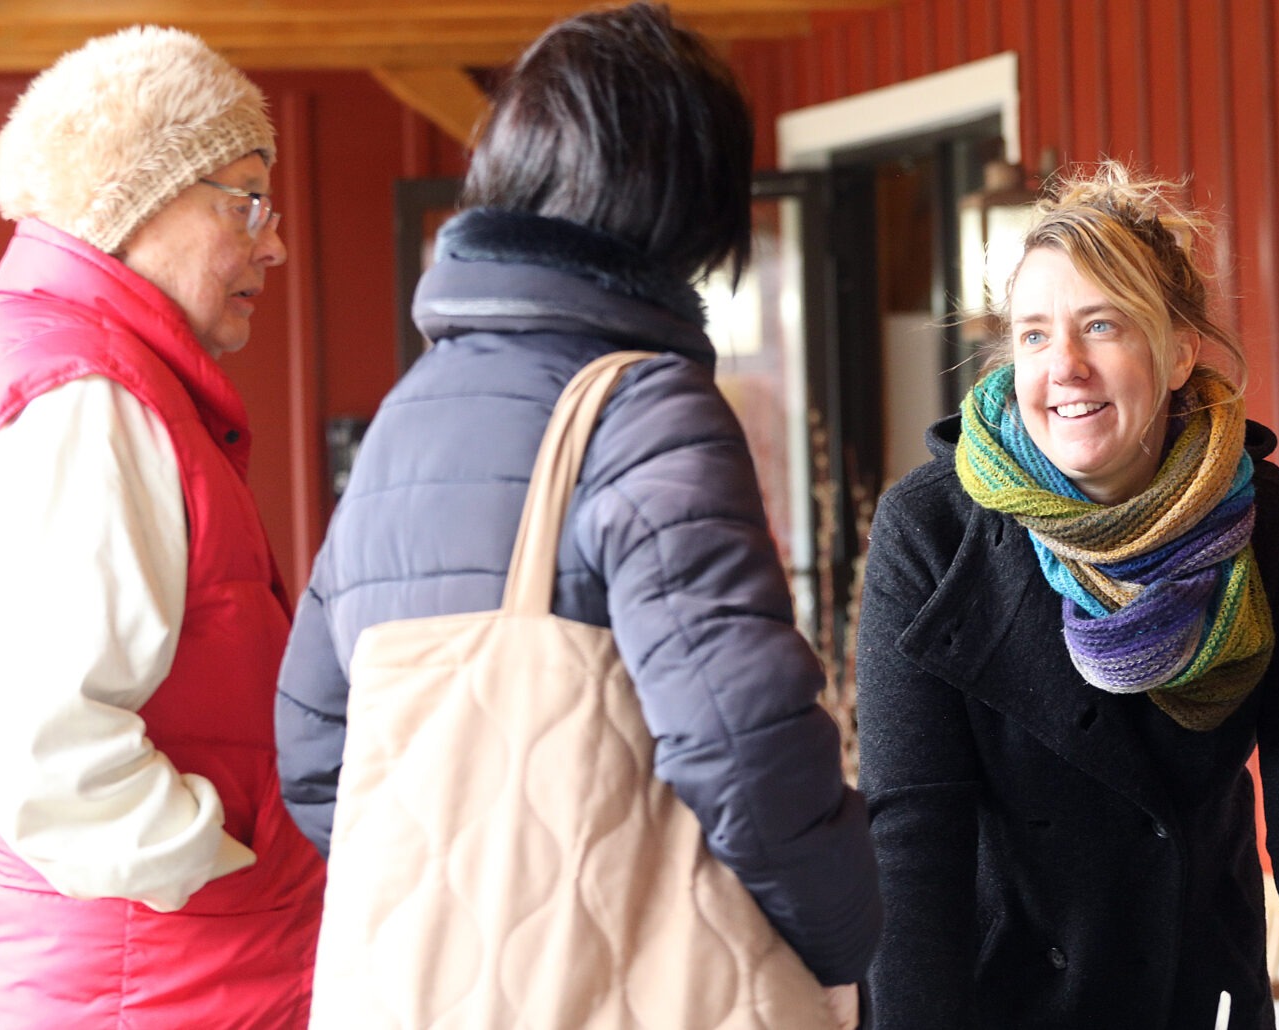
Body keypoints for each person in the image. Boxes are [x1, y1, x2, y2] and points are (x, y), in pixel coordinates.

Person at [274, 3, 879, 1027]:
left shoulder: (400, 424)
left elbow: (313, 749)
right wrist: (851, 931)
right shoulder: (642, 408)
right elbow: (741, 747)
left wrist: (466, 900)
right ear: (680, 189)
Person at [855, 161, 1279, 1029]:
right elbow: (911, 850)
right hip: (986, 990)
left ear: (1177, 351)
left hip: (1184, 978)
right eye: (1035, 335)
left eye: (1102, 325)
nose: (1067, 368)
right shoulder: (931, 532)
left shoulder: (1274, 533)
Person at [0, 26, 325, 1027]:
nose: (273, 241)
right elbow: (57, 764)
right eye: (244, 199)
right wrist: (235, 868)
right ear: (133, 202)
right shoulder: (86, 398)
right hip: (156, 974)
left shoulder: (29, 360)